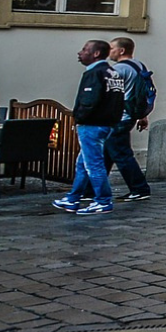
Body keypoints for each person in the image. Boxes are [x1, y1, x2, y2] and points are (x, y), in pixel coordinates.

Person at [54, 40, 125, 215]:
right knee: (83, 163)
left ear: (96, 54)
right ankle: (73, 197)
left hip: (92, 124)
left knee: (94, 164)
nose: (80, 53)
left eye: (85, 50)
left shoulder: (95, 73)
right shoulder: (112, 73)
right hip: (107, 124)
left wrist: (79, 118)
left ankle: (103, 200)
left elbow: (89, 100)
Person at [103, 37, 154, 203]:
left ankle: (139, 188)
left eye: (112, 48)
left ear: (121, 50)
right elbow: (140, 94)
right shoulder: (139, 66)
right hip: (129, 116)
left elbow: (110, 96)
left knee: (121, 154)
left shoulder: (117, 69)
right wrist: (142, 115)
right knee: (106, 154)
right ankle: (91, 189)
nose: (109, 51)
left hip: (118, 118)